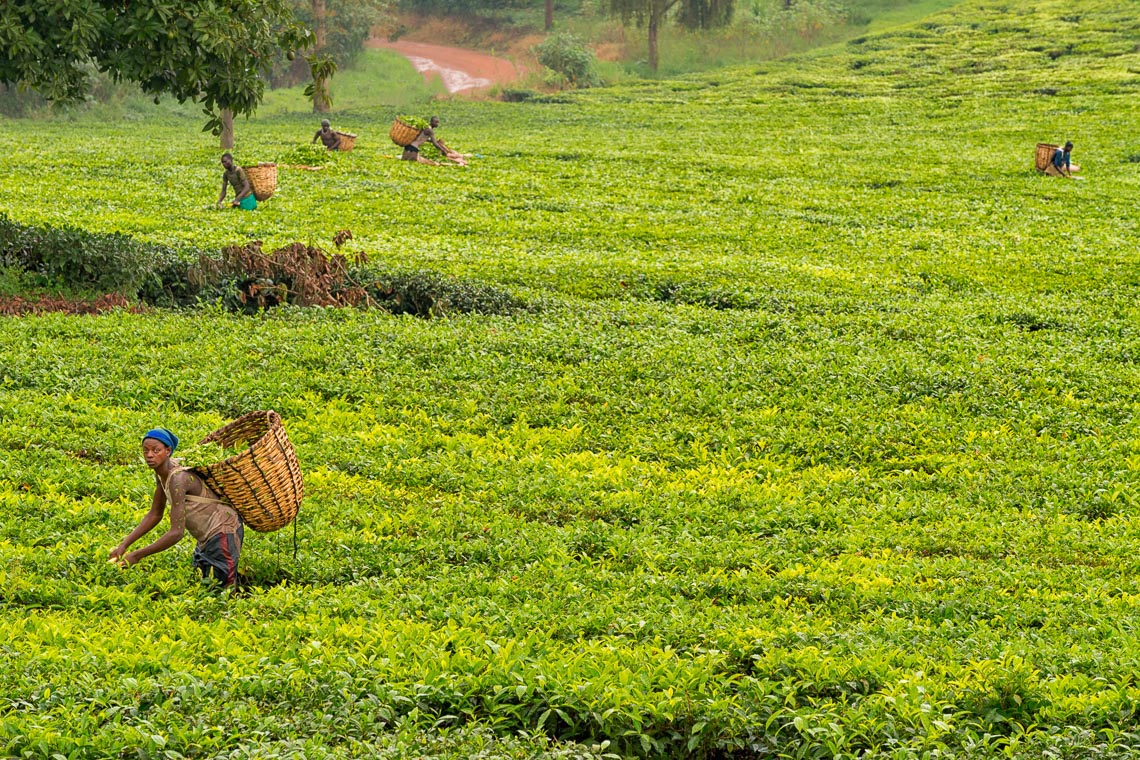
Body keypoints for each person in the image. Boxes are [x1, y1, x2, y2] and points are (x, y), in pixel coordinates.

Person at [109, 428, 245, 588]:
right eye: (145, 451)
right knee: (203, 586)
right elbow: (155, 514)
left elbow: (176, 533)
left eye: (156, 450)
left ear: (168, 451)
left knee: (222, 590)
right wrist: (123, 546)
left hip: (223, 532)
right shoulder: (161, 473)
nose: (149, 455)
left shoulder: (178, 479)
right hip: (205, 538)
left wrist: (137, 556)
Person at [401, 116, 467, 166]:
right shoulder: (430, 130)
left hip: (409, 146)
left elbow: (422, 138)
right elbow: (435, 143)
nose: (437, 124)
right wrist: (444, 151)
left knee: (405, 161)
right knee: (413, 163)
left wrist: (433, 142)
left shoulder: (425, 127)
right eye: (436, 122)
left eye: (438, 122)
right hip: (414, 148)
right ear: (431, 122)